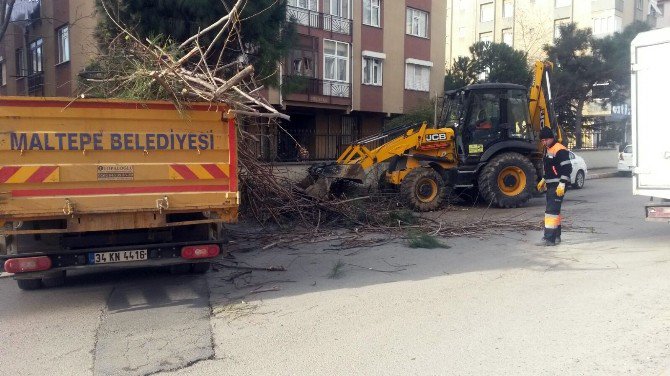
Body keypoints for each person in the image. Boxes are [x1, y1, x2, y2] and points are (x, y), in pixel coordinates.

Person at [536, 127, 572, 246]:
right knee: (555, 211)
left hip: (558, 185)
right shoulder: (548, 149)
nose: (543, 143)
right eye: (542, 141)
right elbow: (550, 168)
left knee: (551, 211)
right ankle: (556, 236)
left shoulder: (559, 149)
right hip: (552, 184)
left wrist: (562, 183)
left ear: (551, 138)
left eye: (545, 140)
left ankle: (549, 239)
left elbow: (567, 169)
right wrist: (544, 179)